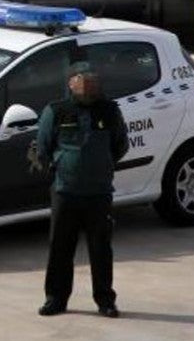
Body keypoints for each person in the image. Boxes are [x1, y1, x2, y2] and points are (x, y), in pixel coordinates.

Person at [35, 61, 128, 318]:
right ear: (70, 82)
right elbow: (42, 149)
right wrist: (61, 169)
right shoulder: (56, 111)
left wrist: (101, 166)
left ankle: (105, 300)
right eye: (81, 77)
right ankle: (56, 298)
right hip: (66, 192)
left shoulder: (109, 112)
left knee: (101, 249)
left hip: (98, 193)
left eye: (91, 77)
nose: (87, 82)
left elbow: (120, 145)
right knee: (60, 247)